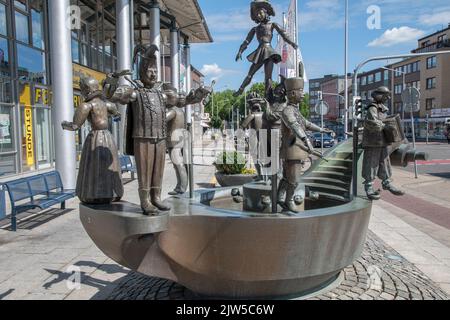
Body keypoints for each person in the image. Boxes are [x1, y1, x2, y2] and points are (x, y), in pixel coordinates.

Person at [104, 45, 210, 215]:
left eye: (155, 70)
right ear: (141, 71)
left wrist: (199, 94)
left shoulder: (164, 94)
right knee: (145, 170)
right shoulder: (134, 92)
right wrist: (113, 78)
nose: (153, 73)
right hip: (142, 137)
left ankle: (156, 198)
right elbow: (110, 94)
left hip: (160, 138)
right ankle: (145, 200)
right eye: (149, 70)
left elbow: (185, 100)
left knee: (158, 170)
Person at [62, 77, 123, 204]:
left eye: (82, 88)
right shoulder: (107, 104)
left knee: (94, 167)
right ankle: (110, 192)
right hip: (108, 138)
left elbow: (75, 126)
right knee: (108, 166)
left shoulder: (86, 106)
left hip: (95, 138)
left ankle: (94, 194)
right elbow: (118, 115)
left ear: (86, 90)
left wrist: (64, 124)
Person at [279, 77, 332, 212]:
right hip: (292, 150)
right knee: (294, 179)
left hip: (296, 149)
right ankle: (288, 200)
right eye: (300, 91)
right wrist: (307, 141)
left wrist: (321, 129)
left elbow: (306, 124)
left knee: (286, 177)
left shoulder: (295, 110)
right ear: (292, 94)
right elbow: (295, 126)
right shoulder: (287, 111)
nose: (303, 94)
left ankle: (280, 197)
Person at [234, 0, 297, 97]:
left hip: (269, 52)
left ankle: (268, 96)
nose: (259, 15)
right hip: (259, 52)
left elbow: (284, 35)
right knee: (250, 74)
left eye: (260, 13)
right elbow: (246, 41)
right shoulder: (255, 29)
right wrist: (240, 51)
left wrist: (292, 43)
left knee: (268, 76)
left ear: (266, 13)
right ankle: (240, 89)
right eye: (257, 14)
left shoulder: (272, 25)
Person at [362, 86, 405, 200]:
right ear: (379, 95)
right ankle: (369, 186)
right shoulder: (373, 107)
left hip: (383, 140)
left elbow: (383, 120)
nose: (388, 98)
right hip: (373, 142)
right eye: (386, 96)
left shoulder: (382, 108)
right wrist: (385, 126)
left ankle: (386, 182)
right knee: (371, 163)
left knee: (385, 162)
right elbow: (372, 122)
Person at [241, 92, 265, 179]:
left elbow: (243, 126)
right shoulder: (264, 115)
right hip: (265, 137)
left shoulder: (252, 115)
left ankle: (260, 175)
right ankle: (265, 176)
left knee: (255, 157)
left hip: (254, 138)